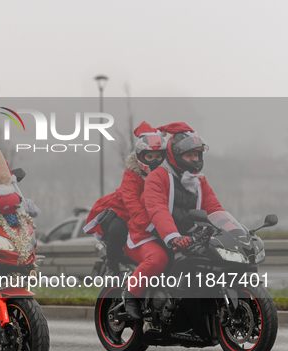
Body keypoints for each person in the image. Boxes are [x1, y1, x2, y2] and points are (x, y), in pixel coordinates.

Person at [123, 122, 223, 319]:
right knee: (158, 259)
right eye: (189, 155)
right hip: (146, 234)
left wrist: (231, 230)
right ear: (176, 155)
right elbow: (158, 209)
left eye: (197, 155)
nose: (194, 159)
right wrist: (172, 236)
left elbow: (214, 209)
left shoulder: (198, 180)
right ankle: (130, 296)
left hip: (182, 235)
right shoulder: (157, 177)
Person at [84, 121, 166, 275]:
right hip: (123, 212)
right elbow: (132, 204)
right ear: (141, 157)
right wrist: (152, 227)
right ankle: (112, 267)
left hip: (150, 216)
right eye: (150, 156)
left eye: (158, 156)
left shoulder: (166, 176)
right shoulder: (131, 174)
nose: (154, 161)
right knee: (118, 231)